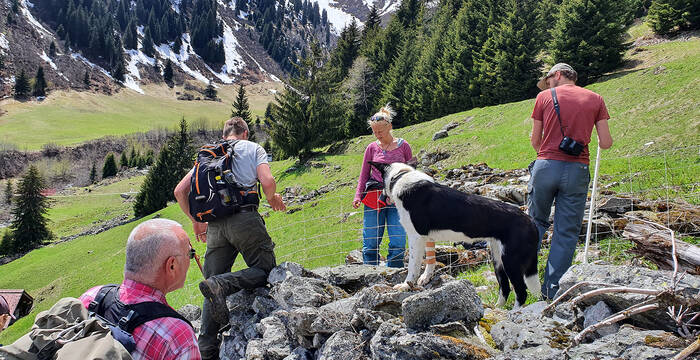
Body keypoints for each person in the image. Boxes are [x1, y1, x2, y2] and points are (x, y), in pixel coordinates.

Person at [174, 116, 286, 360]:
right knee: (266, 269)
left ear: (225, 135)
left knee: (209, 285)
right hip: (245, 218)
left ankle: (206, 351)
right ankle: (223, 284)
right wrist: (273, 197)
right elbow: (266, 180)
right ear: (245, 132)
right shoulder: (253, 148)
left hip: (214, 225)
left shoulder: (210, 153)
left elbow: (180, 191)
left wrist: (197, 221)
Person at [528, 63, 613, 299]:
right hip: (577, 169)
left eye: (548, 80)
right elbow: (605, 142)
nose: (547, 85)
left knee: (535, 222)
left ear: (557, 75)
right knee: (566, 232)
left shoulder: (544, 97)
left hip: (545, 167)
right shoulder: (596, 98)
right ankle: (552, 291)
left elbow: (536, 141)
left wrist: (548, 152)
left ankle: (525, 283)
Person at [79, 218, 200, 360]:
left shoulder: (92, 296)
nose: (191, 259)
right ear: (171, 265)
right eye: (190, 254)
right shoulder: (177, 336)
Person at [352, 105, 413, 268]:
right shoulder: (371, 148)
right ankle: (370, 274)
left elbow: (411, 172)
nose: (378, 135)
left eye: (381, 131)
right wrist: (358, 196)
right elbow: (364, 174)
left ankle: (394, 274)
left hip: (398, 199)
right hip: (373, 198)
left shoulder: (403, 146)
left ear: (390, 127)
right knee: (371, 241)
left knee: (398, 239)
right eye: (374, 132)